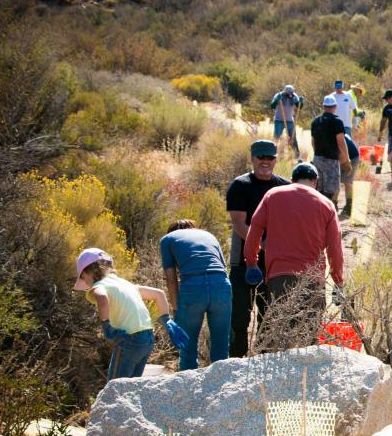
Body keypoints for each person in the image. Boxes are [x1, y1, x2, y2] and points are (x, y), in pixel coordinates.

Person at [243, 163, 344, 344]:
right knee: (308, 339)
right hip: (312, 280)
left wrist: (251, 262)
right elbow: (335, 248)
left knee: (278, 336)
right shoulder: (326, 204)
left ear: (292, 180)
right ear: (315, 182)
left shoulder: (272, 195)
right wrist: (338, 281)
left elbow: (254, 231)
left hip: (278, 277)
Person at [74, 248, 188, 382]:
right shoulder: (126, 284)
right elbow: (159, 294)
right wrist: (166, 320)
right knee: (131, 386)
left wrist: (106, 325)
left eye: (82, 277)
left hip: (129, 339)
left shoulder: (99, 286)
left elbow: (102, 297)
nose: (85, 282)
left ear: (87, 272)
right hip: (148, 339)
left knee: (115, 387)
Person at [226, 140, 291, 358]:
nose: (265, 161)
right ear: (252, 158)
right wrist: (264, 246)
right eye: (260, 156)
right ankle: (236, 361)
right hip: (243, 261)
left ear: (275, 159)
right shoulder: (240, 185)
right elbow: (239, 225)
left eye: (270, 157)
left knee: (269, 316)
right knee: (239, 318)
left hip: (274, 264)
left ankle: (264, 360)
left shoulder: (284, 186)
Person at [159, 219, 231, 371]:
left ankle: (188, 390)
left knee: (187, 347)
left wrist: (176, 308)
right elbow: (223, 268)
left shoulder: (167, 240)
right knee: (221, 346)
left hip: (193, 285)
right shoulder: (208, 235)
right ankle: (220, 386)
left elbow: (171, 279)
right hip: (221, 285)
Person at [310, 94, 352, 205]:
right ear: (335, 107)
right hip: (331, 160)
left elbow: (313, 142)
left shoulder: (315, 121)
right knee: (331, 190)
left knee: (319, 188)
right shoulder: (337, 121)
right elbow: (341, 142)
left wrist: (316, 156)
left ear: (324, 107)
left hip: (317, 158)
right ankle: (328, 211)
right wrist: (346, 160)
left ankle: (318, 210)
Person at [269, 84, 305, 160]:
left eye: (291, 93)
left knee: (293, 138)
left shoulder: (294, 96)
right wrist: (276, 100)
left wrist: (301, 103)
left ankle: (297, 156)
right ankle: (271, 154)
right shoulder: (279, 95)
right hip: (279, 120)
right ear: (285, 92)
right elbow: (272, 106)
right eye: (288, 94)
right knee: (276, 137)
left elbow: (299, 107)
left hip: (289, 121)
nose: (290, 95)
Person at [340, 133, 361, 218]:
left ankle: (349, 206)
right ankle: (338, 204)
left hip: (352, 158)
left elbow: (341, 154)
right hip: (351, 156)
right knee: (345, 182)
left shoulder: (337, 137)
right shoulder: (341, 134)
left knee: (347, 182)